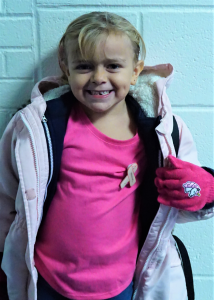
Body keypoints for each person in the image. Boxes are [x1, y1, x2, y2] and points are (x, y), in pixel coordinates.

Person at [0, 11, 213, 300]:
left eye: (113, 66)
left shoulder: (162, 131)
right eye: (85, 66)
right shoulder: (36, 126)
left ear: (135, 71)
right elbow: (6, 194)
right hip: (47, 278)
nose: (99, 78)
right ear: (66, 69)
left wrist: (203, 190)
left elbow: (188, 198)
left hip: (120, 284)